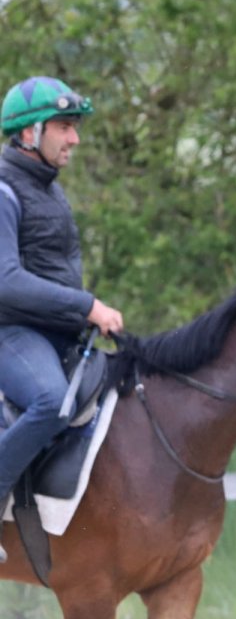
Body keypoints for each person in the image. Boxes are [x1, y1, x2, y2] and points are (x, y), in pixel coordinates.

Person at [0, 76, 124, 562]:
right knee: (52, 401)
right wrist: (86, 305)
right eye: (64, 127)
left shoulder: (48, 188)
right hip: (12, 333)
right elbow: (6, 280)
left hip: (57, 333)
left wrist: (82, 315)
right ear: (30, 133)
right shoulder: (4, 190)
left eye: (75, 127)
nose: (75, 138)